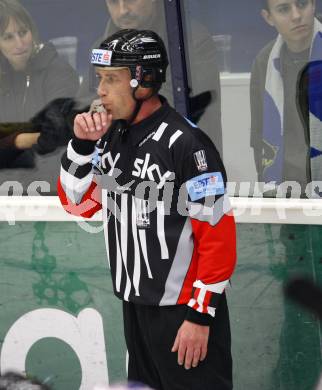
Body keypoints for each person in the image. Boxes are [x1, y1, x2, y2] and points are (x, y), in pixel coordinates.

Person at [58, 29, 236, 390]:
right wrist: (81, 145)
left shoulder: (187, 144)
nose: (101, 91)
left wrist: (200, 316)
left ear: (143, 80)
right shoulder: (110, 137)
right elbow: (78, 205)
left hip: (184, 314)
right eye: (100, 80)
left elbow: (218, 237)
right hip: (135, 310)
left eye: (112, 79)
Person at [78, 0, 223, 155]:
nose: (122, 10)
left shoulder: (190, 40)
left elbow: (174, 109)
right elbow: (84, 111)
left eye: (130, 0)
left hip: (185, 163)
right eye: (113, 2)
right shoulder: (100, 48)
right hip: (120, 168)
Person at [0, 0, 79, 193]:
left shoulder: (59, 72)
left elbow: (55, 133)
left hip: (51, 187)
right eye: (8, 37)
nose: (19, 44)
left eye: (23, 32)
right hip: (7, 187)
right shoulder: (3, 77)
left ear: (33, 32)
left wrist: (11, 141)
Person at [250, 0, 322, 197]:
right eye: (284, 9)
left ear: (314, 4)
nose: (296, 15)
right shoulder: (264, 61)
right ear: (268, 18)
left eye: (302, 4)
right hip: (288, 192)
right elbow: (259, 135)